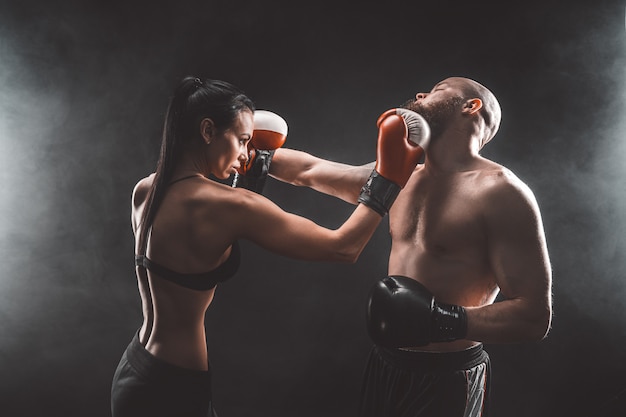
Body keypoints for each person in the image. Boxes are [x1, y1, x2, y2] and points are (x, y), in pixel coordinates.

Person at [110, 76, 430, 417]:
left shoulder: (146, 189)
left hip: (135, 368)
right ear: (207, 131)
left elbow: (204, 235)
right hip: (173, 391)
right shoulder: (230, 206)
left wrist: (248, 169)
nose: (247, 153)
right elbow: (343, 247)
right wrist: (388, 180)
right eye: (243, 140)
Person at [269, 76, 553, 417]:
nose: (420, 93)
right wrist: (248, 151)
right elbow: (310, 170)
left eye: (437, 90)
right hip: (387, 363)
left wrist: (442, 320)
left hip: (448, 375)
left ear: (471, 106)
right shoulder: (400, 178)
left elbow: (534, 316)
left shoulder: (502, 193)